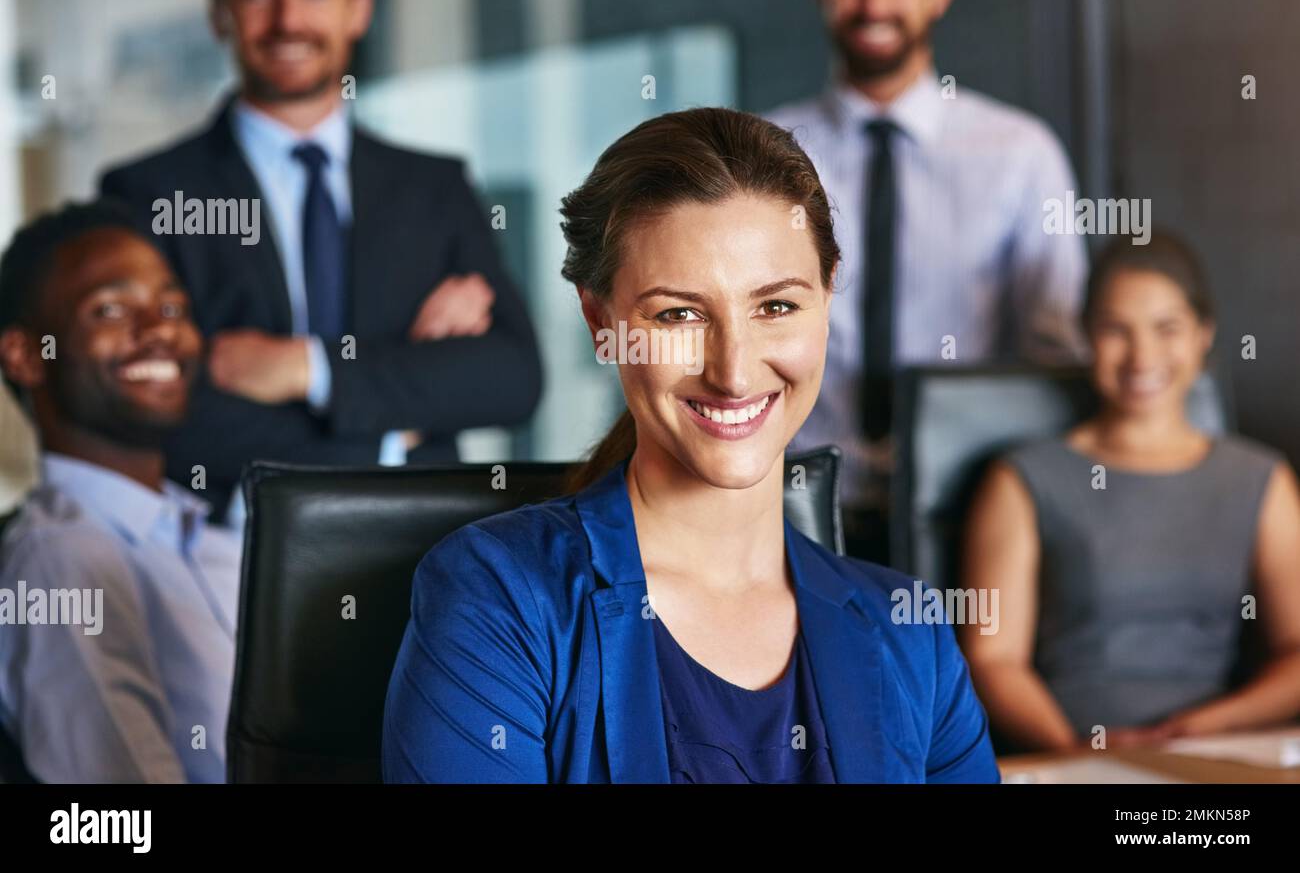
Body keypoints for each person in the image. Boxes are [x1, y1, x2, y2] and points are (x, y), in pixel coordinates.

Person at [382, 108, 999, 783]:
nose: (732, 370)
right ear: (601, 321)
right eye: (679, 314)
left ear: (828, 295)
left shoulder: (911, 637)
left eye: (776, 306)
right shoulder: (498, 599)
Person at [100, 0, 542, 521]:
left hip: (424, 541)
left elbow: (511, 376)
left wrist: (307, 369)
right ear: (220, 13)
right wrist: (394, 422)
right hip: (232, 554)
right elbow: (162, 412)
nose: (288, 21)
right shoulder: (149, 193)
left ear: (357, 8)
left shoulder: (432, 186)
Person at [764, 0, 1088, 559]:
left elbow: (1053, 358)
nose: (875, 5)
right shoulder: (764, 153)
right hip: (789, 503)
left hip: (966, 510)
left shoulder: (1019, 154)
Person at [961, 231, 1300, 753]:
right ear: (1086, 338)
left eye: (1167, 329)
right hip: (1065, 758)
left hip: (1217, 754)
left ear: (1203, 334)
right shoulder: (1020, 478)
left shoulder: (1261, 478)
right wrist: (1078, 754)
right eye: (1116, 330)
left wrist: (1194, 732)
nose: (1142, 357)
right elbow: (994, 658)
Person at [0, 201, 240, 782]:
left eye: (171, 306)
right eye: (110, 308)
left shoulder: (219, 539)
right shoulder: (61, 557)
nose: (160, 329)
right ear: (27, 356)